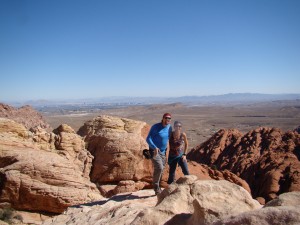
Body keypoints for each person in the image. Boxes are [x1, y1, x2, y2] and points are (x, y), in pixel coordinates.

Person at [146, 113, 172, 195]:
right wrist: (154, 147)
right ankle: (156, 188)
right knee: (159, 167)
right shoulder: (156, 127)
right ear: (163, 118)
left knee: (161, 170)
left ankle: (158, 187)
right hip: (154, 151)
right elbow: (148, 138)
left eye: (169, 118)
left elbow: (168, 138)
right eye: (166, 118)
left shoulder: (169, 127)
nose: (168, 120)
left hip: (163, 152)